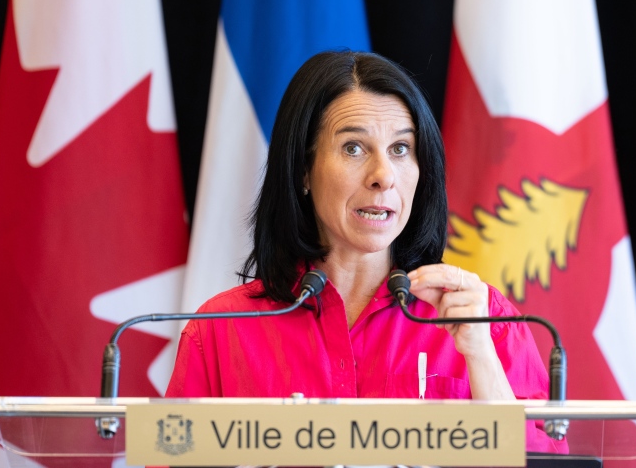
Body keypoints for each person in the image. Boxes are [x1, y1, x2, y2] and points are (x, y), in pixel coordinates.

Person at [166, 50, 568, 454]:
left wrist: (480, 357)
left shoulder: (482, 319)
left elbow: (546, 462)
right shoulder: (221, 331)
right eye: (354, 148)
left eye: (400, 149)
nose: (383, 176)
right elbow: (173, 458)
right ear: (303, 171)